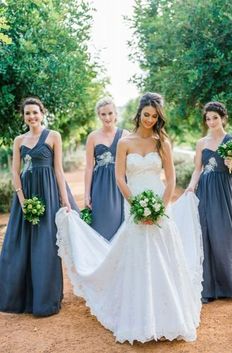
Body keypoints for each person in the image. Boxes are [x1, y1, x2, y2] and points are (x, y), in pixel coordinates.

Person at [56, 92, 203, 344]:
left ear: (159, 118)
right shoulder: (125, 142)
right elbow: (119, 178)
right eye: (146, 114)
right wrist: (136, 205)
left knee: (162, 253)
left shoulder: (162, 142)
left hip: (159, 204)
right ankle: (138, 317)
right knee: (137, 255)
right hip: (134, 203)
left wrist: (160, 206)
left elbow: (171, 179)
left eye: (154, 116)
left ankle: (169, 317)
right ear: (139, 114)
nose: (149, 119)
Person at [0, 97, 79, 316]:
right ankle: (21, 299)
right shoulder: (18, 140)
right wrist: (23, 202)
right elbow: (15, 172)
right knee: (20, 246)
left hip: (48, 194)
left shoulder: (54, 136)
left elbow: (58, 170)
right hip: (26, 196)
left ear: (42, 113)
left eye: (35, 112)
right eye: (27, 113)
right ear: (23, 116)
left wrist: (64, 200)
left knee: (46, 246)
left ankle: (46, 300)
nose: (32, 117)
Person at [186, 101, 232, 303]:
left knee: (225, 234)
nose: (211, 121)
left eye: (215, 117)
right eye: (208, 118)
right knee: (205, 233)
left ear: (223, 118)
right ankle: (209, 287)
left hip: (225, 190)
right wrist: (191, 186)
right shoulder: (201, 143)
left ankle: (229, 284)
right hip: (206, 190)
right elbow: (198, 168)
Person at [84, 97, 129, 240]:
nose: (107, 117)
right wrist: (86, 194)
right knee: (100, 225)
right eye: (103, 114)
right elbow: (89, 167)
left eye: (110, 113)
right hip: (99, 186)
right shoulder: (92, 137)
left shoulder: (126, 135)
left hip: (120, 185)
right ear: (99, 115)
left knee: (119, 225)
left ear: (116, 114)